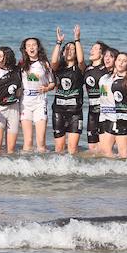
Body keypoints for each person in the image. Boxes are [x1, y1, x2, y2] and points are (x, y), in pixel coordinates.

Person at [50, 25, 86, 155]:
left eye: (72, 49)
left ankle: (72, 168)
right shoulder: (59, 68)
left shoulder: (80, 69)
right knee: (59, 148)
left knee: (72, 148)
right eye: (67, 49)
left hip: (75, 112)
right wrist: (59, 43)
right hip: (58, 111)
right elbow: (53, 61)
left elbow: (81, 60)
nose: (69, 51)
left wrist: (77, 40)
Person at [98, 51, 127, 158]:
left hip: (123, 118)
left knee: (123, 153)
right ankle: (115, 169)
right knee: (106, 151)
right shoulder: (107, 78)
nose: (121, 63)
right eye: (119, 60)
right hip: (108, 117)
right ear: (115, 62)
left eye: (124, 61)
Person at [0, 46, 23, 154]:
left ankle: (8, 164)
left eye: (1, 56)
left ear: (8, 57)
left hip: (13, 109)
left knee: (11, 148)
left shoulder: (17, 70)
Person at [19, 37, 54, 152]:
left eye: (34, 45)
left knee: (41, 141)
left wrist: (47, 88)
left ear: (38, 48)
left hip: (40, 102)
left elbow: (53, 83)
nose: (31, 47)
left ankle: (41, 162)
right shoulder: (21, 64)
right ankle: (25, 162)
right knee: (28, 141)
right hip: (25, 103)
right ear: (25, 49)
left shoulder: (45, 64)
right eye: (28, 45)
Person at [83, 40, 110, 152]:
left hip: (105, 111)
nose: (91, 50)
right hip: (92, 111)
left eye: (95, 48)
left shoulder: (106, 69)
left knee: (104, 147)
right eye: (91, 48)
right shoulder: (86, 69)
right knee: (92, 147)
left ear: (102, 54)